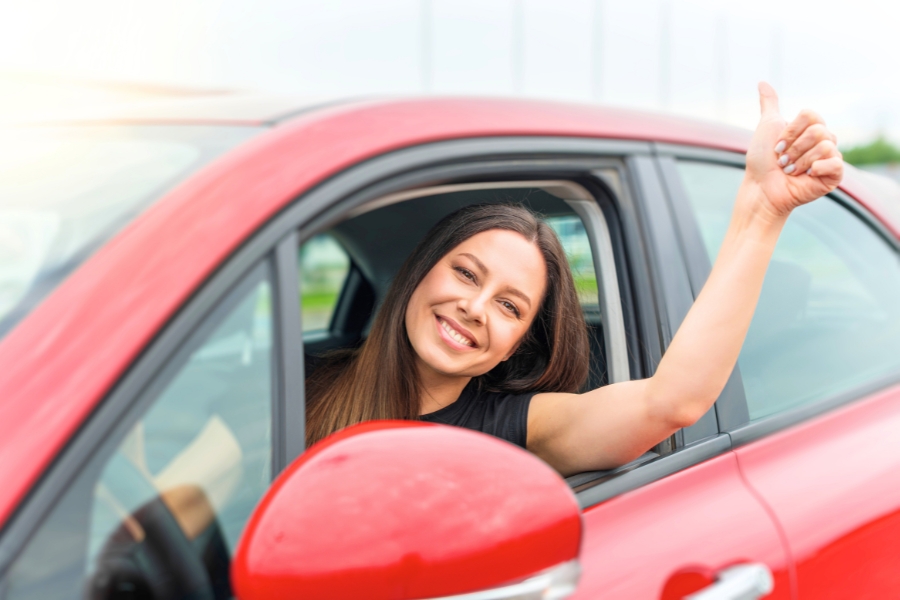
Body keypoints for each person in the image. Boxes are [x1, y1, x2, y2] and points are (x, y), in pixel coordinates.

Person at [305, 83, 844, 476]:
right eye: (467, 273)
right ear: (417, 275)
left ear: (512, 347)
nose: (475, 307)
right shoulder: (295, 385)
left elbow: (670, 402)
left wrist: (761, 214)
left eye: (511, 307)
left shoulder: (512, 428)